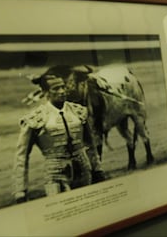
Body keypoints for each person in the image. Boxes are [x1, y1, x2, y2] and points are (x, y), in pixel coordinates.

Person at [13, 75, 105, 203]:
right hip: (55, 174)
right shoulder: (36, 118)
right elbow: (21, 156)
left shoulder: (78, 111)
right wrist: (20, 190)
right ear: (45, 93)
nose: (62, 91)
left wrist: (97, 168)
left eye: (63, 87)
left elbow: (90, 143)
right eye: (56, 88)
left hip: (84, 171)